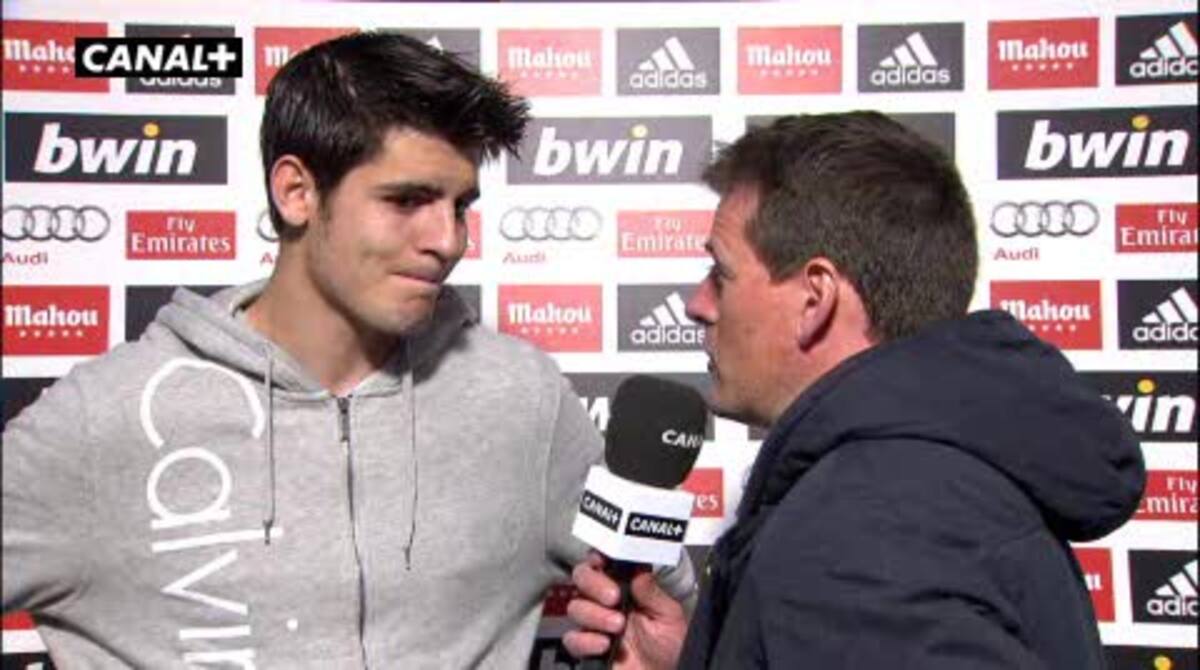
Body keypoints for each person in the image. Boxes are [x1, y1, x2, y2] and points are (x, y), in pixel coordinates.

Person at [2, 31, 694, 668]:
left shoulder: (522, 402)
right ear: (296, 192)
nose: (448, 240)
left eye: (460, 206)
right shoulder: (109, 418)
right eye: (408, 200)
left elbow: (671, 613)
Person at [564, 112, 1145, 669]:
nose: (698, 304)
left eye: (722, 274)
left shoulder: (857, 538)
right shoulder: (927, 484)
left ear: (814, 300)